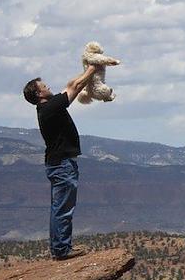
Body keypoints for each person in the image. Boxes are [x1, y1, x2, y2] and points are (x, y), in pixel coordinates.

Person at [22, 62, 117, 259]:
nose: (48, 86)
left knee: (59, 208)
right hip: (62, 165)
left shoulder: (48, 107)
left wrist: (87, 71)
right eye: (44, 86)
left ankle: (60, 248)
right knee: (63, 209)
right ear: (39, 94)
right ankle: (62, 250)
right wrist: (93, 68)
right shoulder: (49, 108)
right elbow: (74, 87)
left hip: (59, 164)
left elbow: (71, 84)